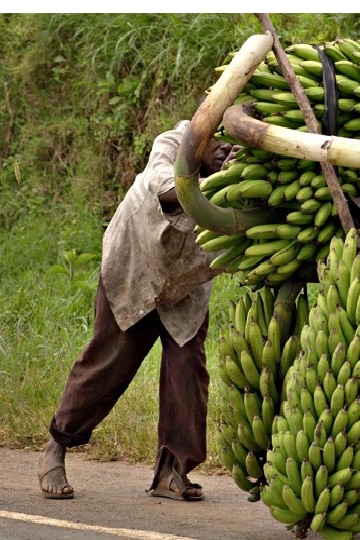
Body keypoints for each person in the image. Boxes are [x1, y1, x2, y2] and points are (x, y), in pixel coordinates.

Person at [37, 116, 233, 501]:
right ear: (202, 132)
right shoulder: (174, 142)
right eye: (219, 137)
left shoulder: (246, 180)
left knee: (187, 375)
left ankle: (171, 473)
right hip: (136, 268)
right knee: (109, 361)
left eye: (234, 142)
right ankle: (56, 446)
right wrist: (224, 183)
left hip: (188, 284)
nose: (226, 147)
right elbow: (166, 188)